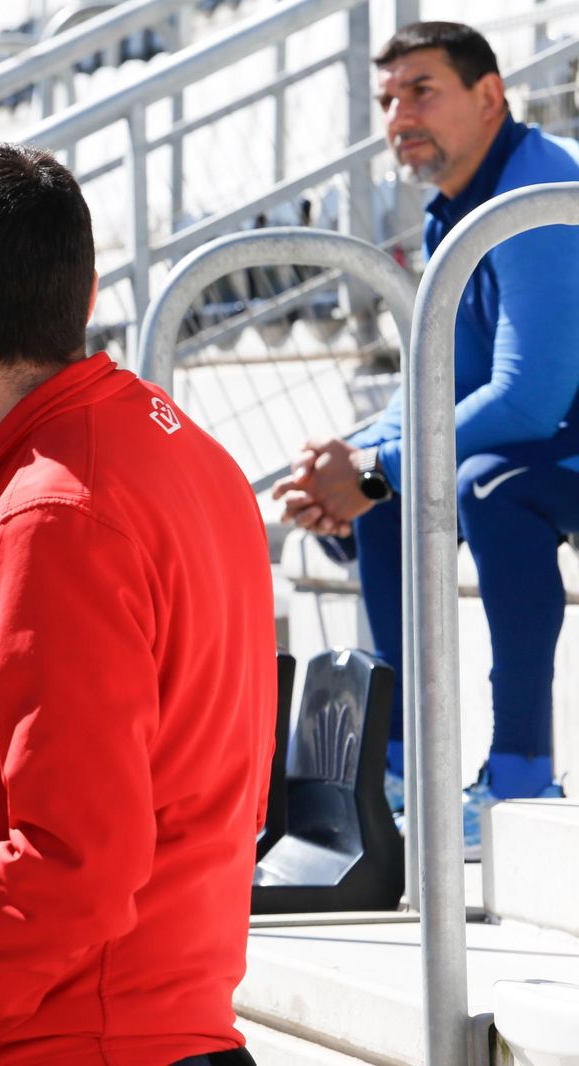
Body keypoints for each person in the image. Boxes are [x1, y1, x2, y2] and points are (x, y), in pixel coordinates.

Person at [0, 142, 277, 1065]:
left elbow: (73, 864)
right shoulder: (188, 455)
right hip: (138, 1019)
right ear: (84, 296)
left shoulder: (56, 512)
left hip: (72, 1036)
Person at [271, 22, 578, 849]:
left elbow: (529, 395)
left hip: (555, 440)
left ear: (489, 95)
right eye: (387, 99)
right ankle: (395, 766)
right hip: (558, 443)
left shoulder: (539, 187)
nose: (400, 114)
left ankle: (521, 777)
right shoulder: (458, 209)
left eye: (422, 91)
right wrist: (347, 460)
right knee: (393, 489)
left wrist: (376, 468)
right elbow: (447, 388)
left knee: (482, 484)